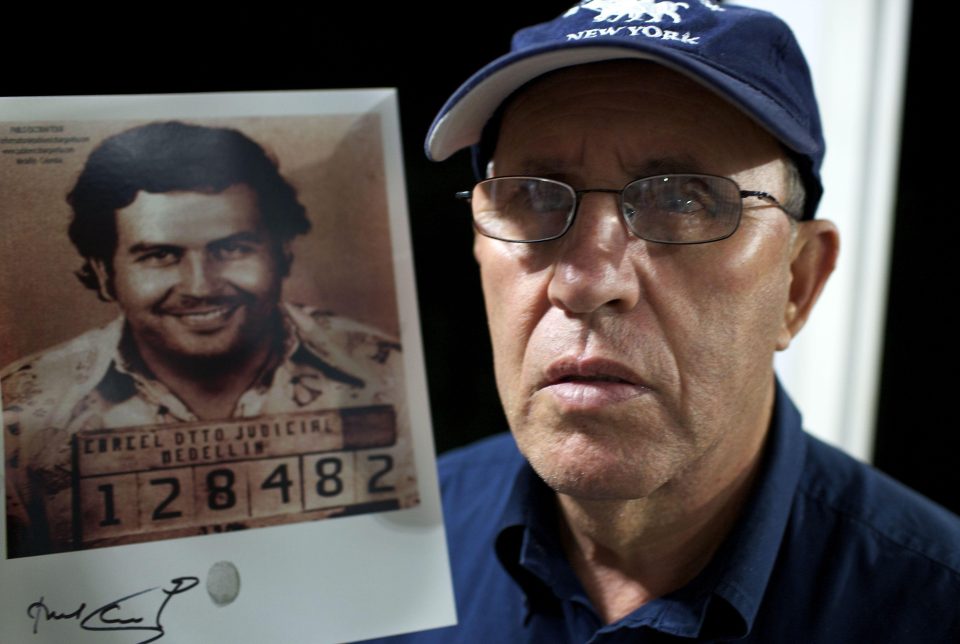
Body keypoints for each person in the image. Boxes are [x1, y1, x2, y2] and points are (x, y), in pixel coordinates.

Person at [376, 2, 960, 642]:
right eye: (535, 195)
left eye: (683, 200)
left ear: (798, 283)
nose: (584, 283)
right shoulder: (382, 553)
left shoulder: (933, 606)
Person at [2, 121, 408, 557]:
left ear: (283, 252)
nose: (201, 286)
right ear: (104, 274)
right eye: (160, 255)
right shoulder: (18, 421)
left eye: (233, 248)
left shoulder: (390, 374)